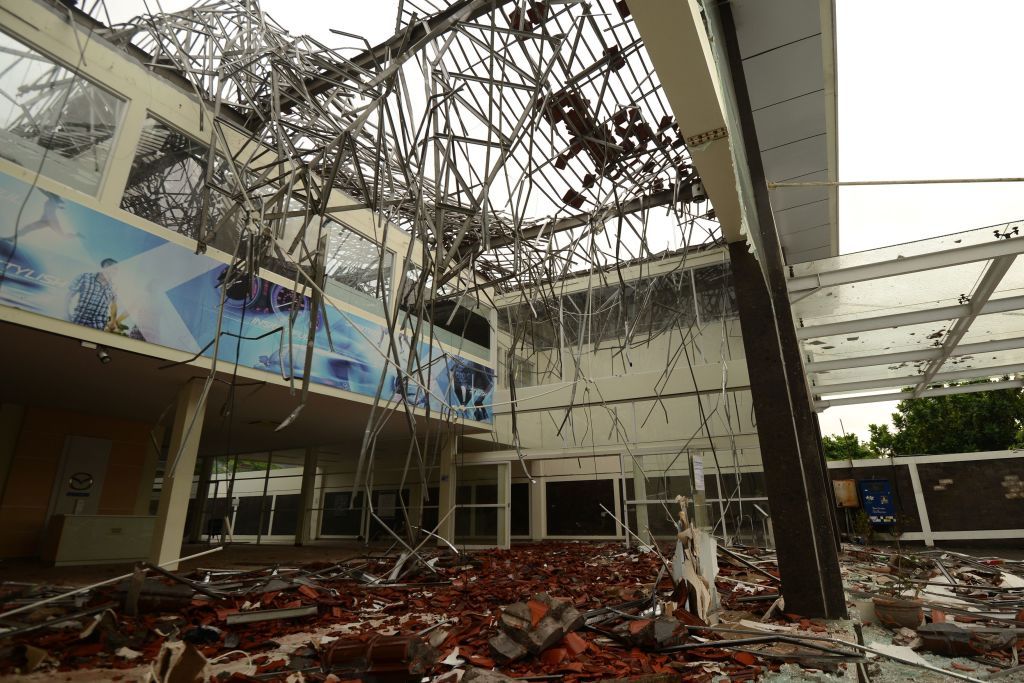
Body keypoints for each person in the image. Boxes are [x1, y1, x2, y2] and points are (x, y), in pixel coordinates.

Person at [68, 258, 117, 329]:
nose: (115, 272)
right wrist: (65, 313)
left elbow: (114, 305)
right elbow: (69, 295)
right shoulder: (85, 277)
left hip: (99, 325)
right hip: (78, 320)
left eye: (116, 270)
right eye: (113, 268)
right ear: (104, 267)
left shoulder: (114, 286)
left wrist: (113, 321)